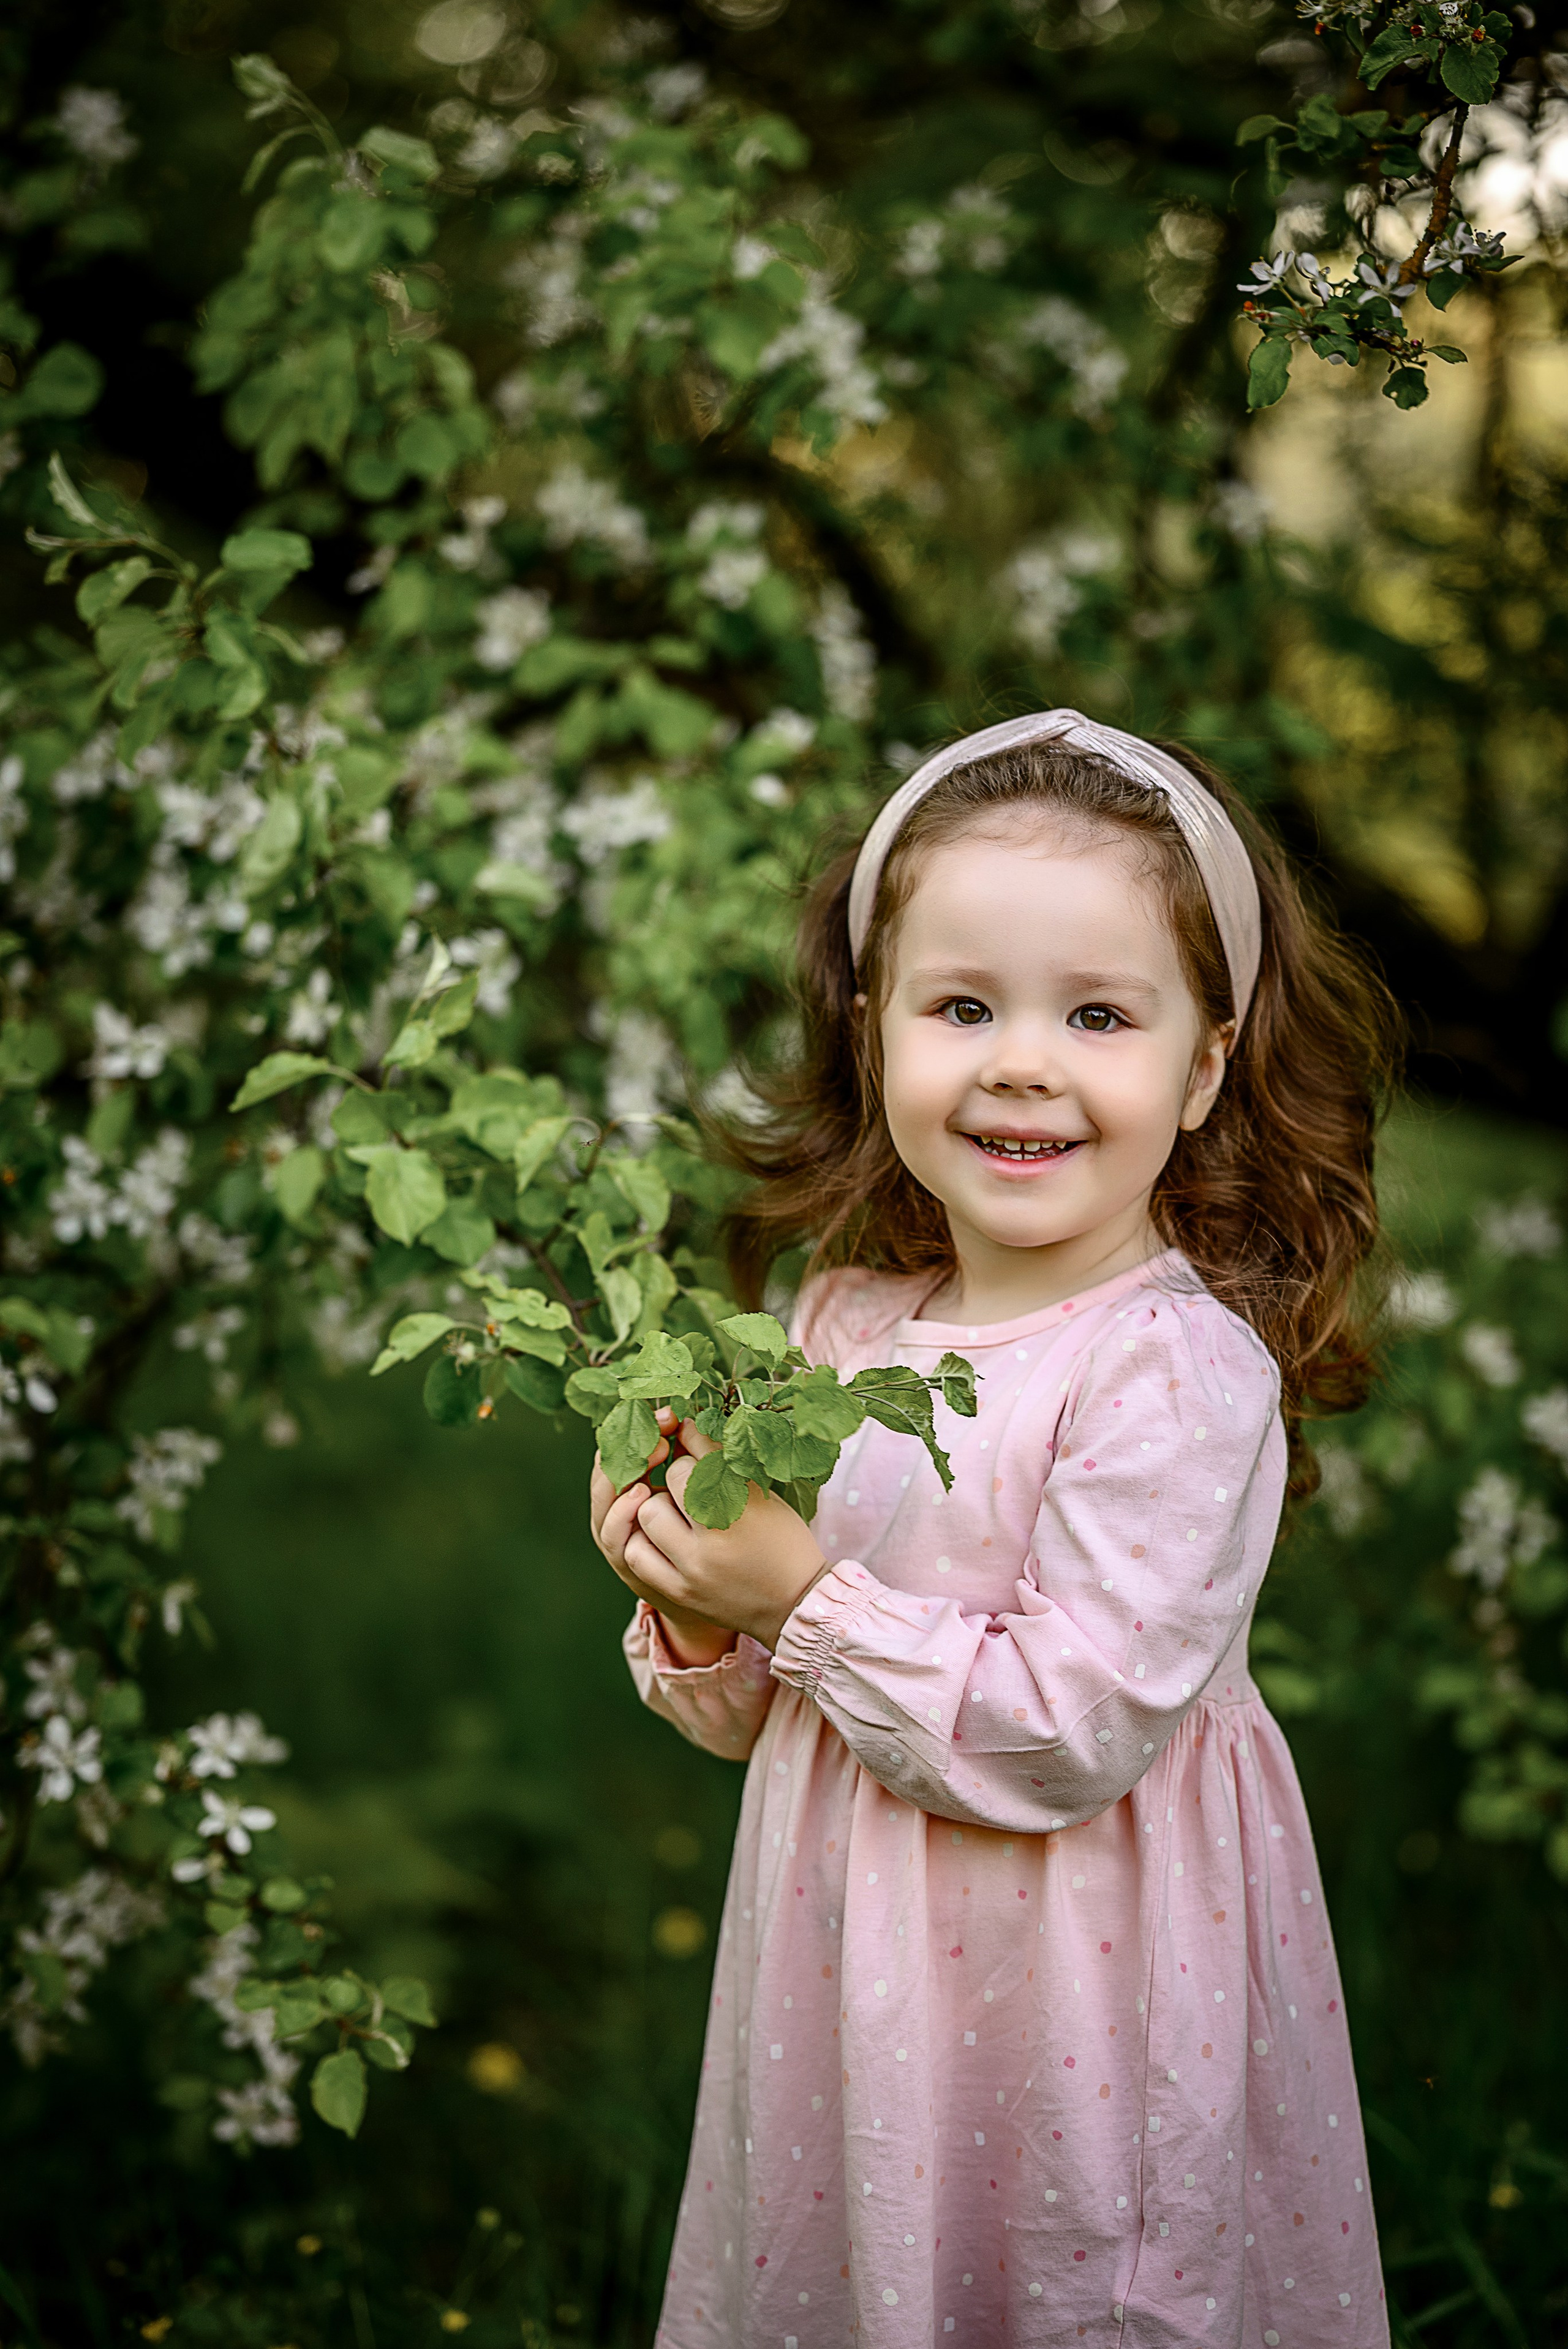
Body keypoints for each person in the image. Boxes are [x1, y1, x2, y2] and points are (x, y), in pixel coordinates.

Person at [590, 711, 1399, 2348]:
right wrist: (703, 1600)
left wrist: (800, 1598)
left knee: (1068, 2273)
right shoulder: (840, 1324)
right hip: (852, 1971)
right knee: (855, 2263)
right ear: (875, 1029)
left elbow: (1067, 1729)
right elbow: (771, 1713)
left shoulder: (1171, 1370)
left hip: (1087, 1974)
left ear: (1204, 1066)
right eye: (964, 1006)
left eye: (1097, 1014)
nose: (1023, 1061)